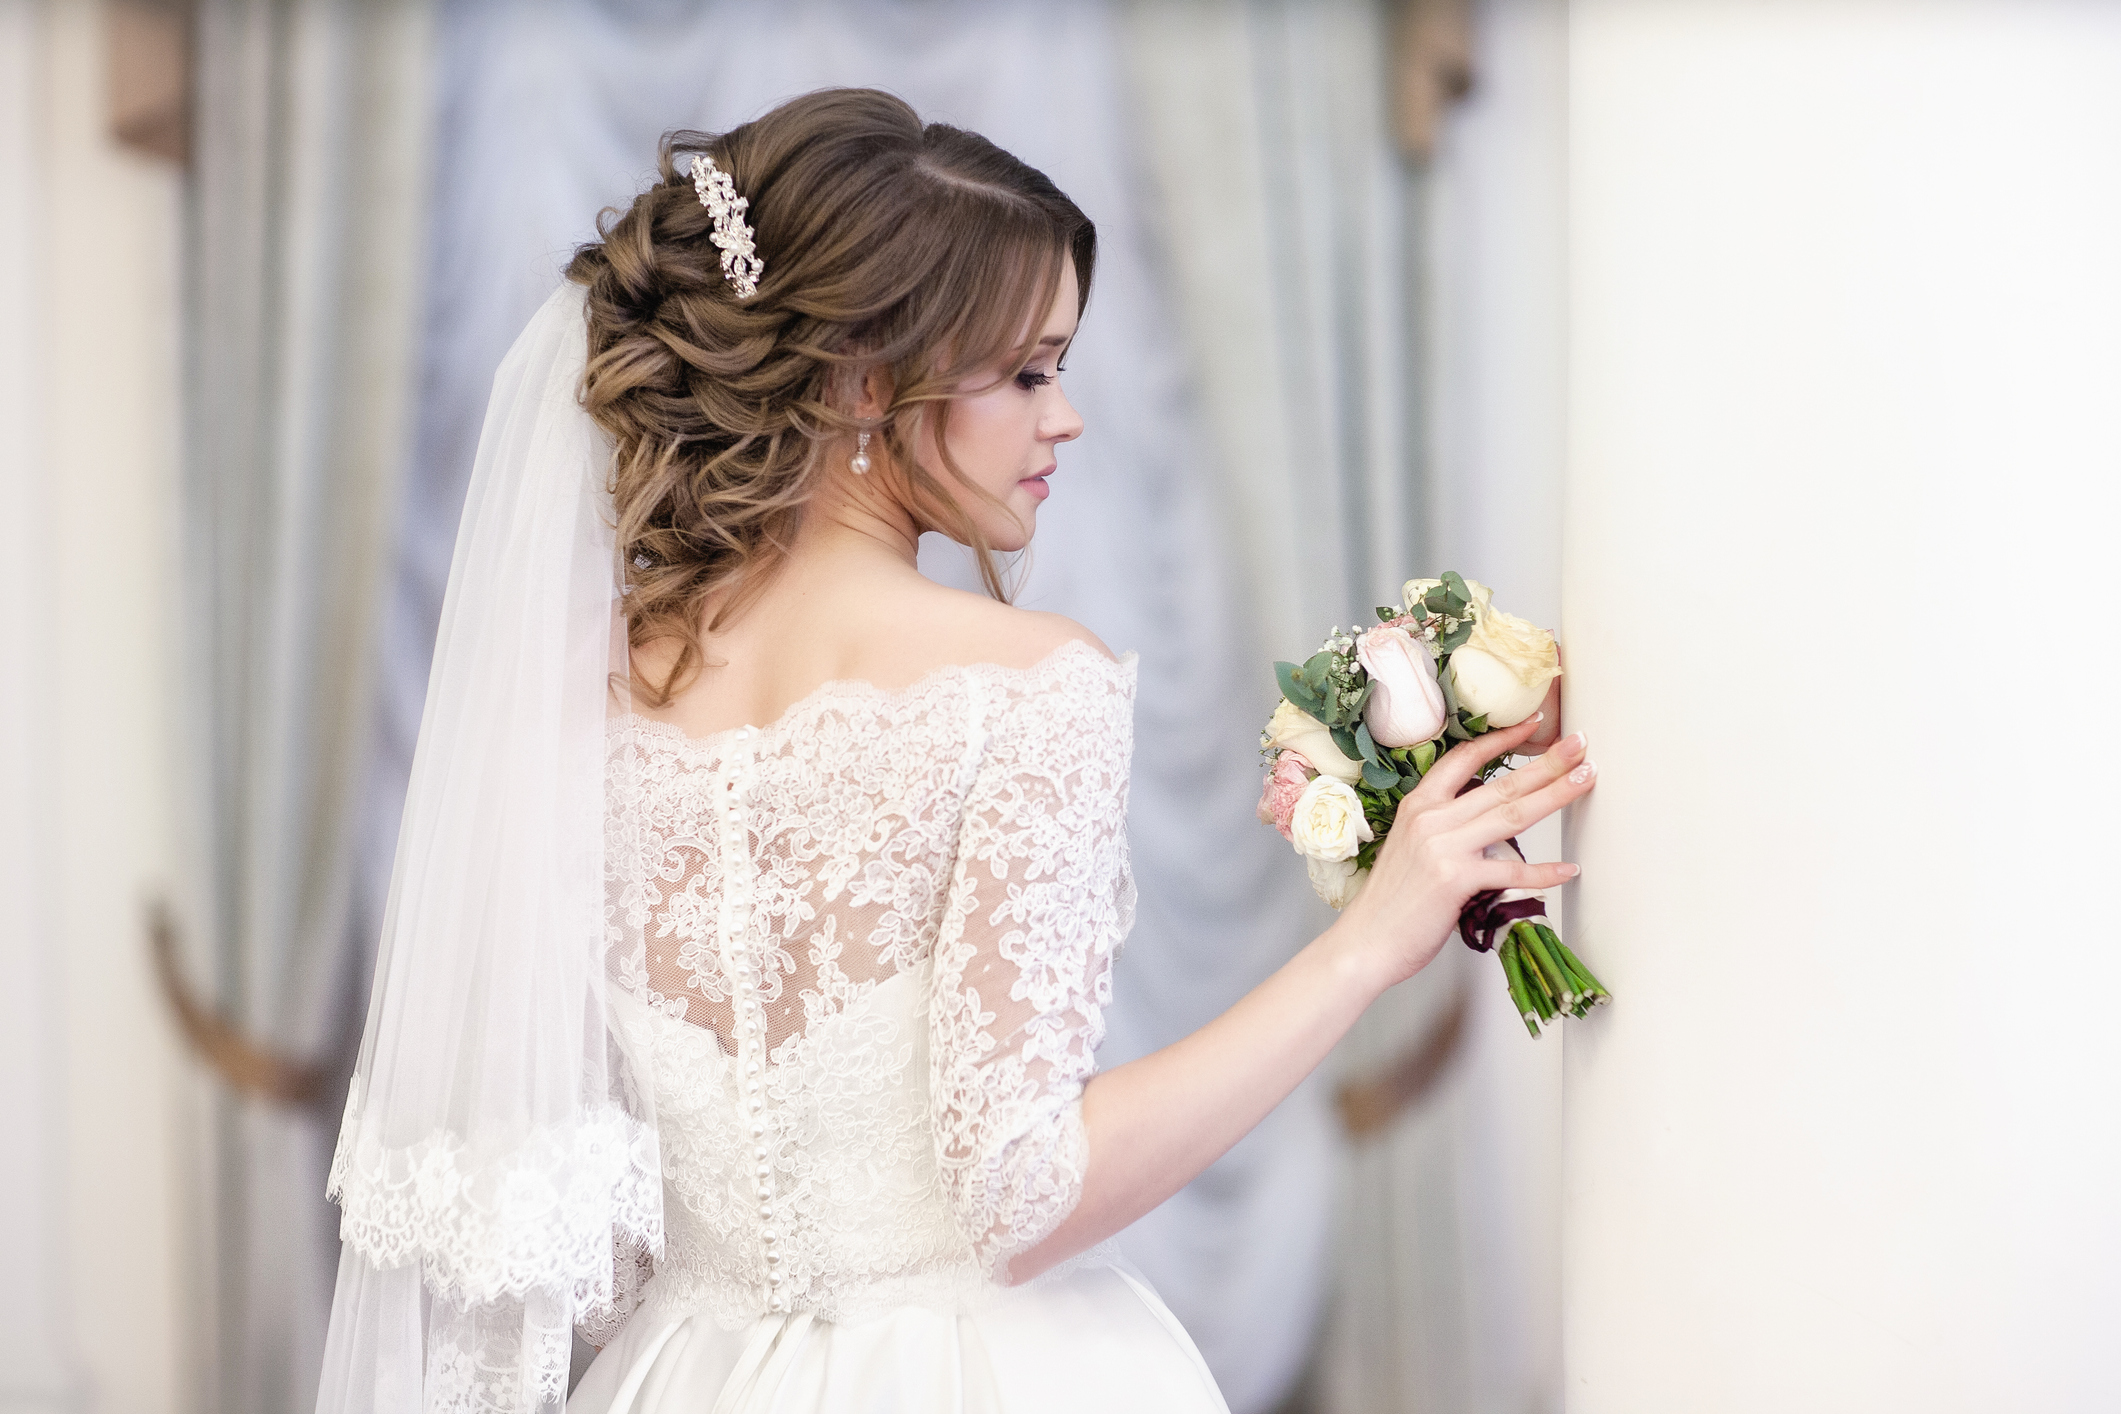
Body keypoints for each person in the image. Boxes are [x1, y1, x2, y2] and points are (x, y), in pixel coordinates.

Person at [315, 87, 1590, 1414]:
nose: (1066, 417)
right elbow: (1021, 1193)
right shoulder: (1024, 685)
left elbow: (603, 1212)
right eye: (1028, 371)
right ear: (867, 381)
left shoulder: (589, 702)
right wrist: (1365, 948)